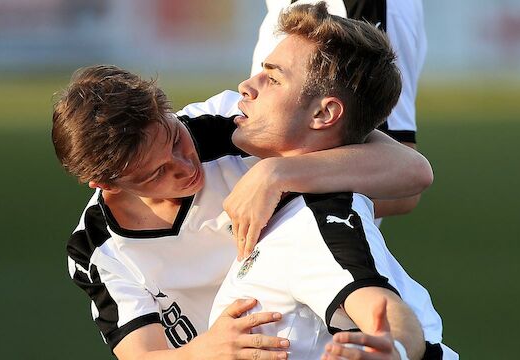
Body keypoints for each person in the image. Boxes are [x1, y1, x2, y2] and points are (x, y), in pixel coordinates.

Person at [52, 65, 431, 360]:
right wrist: (205, 351)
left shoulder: (226, 120)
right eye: (156, 173)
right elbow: (142, 353)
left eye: (174, 139)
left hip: (343, 328)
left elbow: (410, 171)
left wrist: (276, 172)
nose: (184, 166)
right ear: (108, 184)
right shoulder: (97, 249)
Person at [209, 3, 457, 359]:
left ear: (324, 113)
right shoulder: (288, 210)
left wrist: (396, 349)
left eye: (273, 77)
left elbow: (386, 314)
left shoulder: (314, 223)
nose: (245, 86)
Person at [250, 0, 427, 221]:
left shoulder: (367, 6)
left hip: (300, 242)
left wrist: (273, 185)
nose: (244, 89)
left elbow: (402, 182)